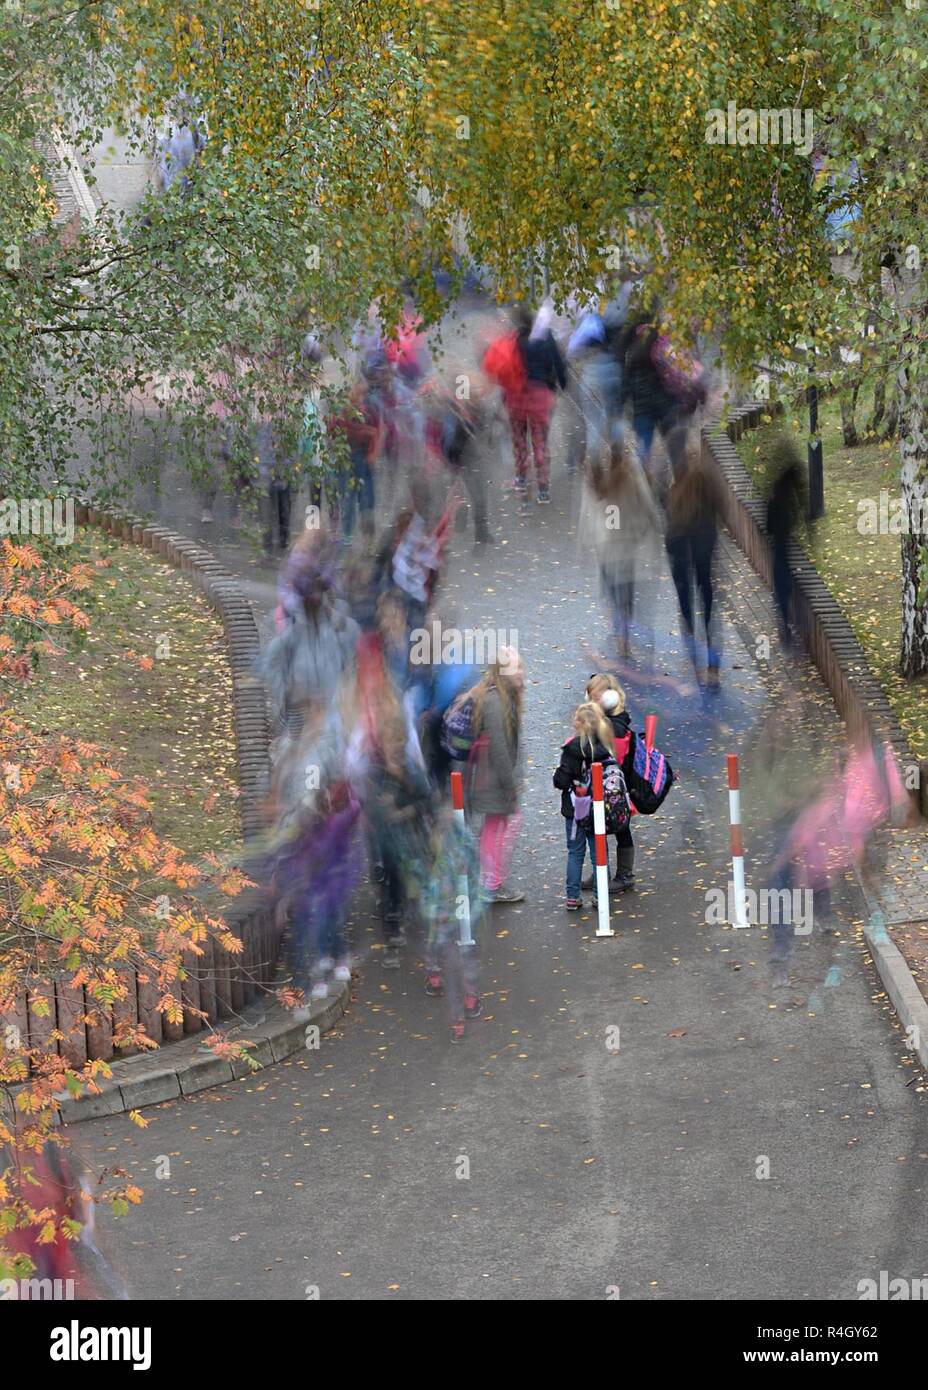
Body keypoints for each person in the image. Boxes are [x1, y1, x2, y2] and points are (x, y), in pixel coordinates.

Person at [581, 432, 663, 661]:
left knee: (610, 588)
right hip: (626, 545)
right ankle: (623, 636)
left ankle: (618, 627)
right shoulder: (631, 473)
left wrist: (585, 539)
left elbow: (587, 510)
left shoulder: (595, 477)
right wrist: (653, 527)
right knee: (625, 592)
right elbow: (646, 503)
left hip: (604, 547)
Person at [664, 431, 725, 689]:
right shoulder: (705, 482)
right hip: (702, 546)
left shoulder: (674, 488)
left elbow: (667, 517)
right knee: (708, 599)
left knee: (686, 603)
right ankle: (712, 667)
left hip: (679, 548)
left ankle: (696, 665)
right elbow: (719, 508)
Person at [421, 803, 485, 1042]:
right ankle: (469, 1001)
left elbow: (428, 900)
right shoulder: (461, 854)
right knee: (464, 961)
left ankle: (460, 1014)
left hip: (447, 924)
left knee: (454, 966)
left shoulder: (437, 868)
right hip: (460, 920)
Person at [466, 647, 525, 903]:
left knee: (496, 826)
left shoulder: (502, 697)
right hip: (492, 781)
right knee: (495, 828)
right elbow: (499, 749)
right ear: (502, 672)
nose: (522, 672)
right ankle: (491, 883)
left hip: (491, 779)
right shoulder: (496, 702)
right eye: (517, 667)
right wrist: (509, 785)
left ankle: (490, 880)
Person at [553, 701, 615, 910]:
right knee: (599, 852)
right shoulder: (605, 748)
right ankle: (600, 896)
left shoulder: (572, 750)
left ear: (580, 723)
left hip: (575, 809)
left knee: (575, 852)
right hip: (600, 809)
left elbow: (560, 781)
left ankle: (573, 896)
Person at [582, 674, 637, 892]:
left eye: (595, 698)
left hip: (615, 785)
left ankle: (625, 875)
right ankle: (600, 871)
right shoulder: (603, 720)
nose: (591, 702)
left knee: (622, 828)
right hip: (601, 783)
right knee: (599, 828)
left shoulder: (616, 725)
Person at [765, 434, 807, 648]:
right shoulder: (792, 495)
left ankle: (785, 623)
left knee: (781, 585)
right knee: (788, 583)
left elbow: (768, 527)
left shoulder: (775, 496)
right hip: (788, 545)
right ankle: (793, 620)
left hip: (779, 549)